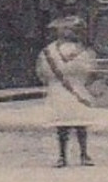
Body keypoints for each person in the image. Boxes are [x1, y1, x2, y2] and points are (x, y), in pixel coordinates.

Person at [35, 15, 98, 167]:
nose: (68, 32)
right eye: (64, 29)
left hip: (77, 89)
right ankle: (62, 155)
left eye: (71, 29)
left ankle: (84, 154)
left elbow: (91, 70)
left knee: (81, 125)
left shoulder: (83, 50)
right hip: (60, 90)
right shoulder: (49, 51)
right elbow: (42, 71)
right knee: (62, 126)